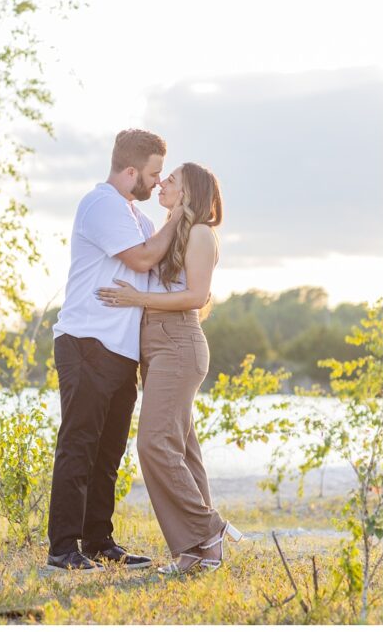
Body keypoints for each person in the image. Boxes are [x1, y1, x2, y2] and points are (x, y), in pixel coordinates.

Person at [96, 161, 242, 575]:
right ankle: (198, 552)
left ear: (189, 193)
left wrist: (136, 301)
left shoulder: (199, 234)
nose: (161, 182)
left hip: (178, 342)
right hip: (159, 346)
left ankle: (208, 529)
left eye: (171, 180)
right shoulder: (175, 232)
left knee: (154, 444)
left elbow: (196, 296)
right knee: (181, 449)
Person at [45, 129, 180, 573]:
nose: (157, 183)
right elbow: (141, 260)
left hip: (121, 352)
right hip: (86, 342)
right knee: (79, 445)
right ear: (129, 171)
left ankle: (99, 541)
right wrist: (182, 214)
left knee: (108, 453)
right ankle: (63, 549)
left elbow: (155, 259)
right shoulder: (101, 204)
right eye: (153, 173)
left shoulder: (136, 216)